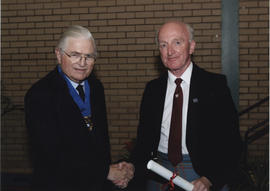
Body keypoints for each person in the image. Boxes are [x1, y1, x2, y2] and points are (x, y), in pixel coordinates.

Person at [129, 21, 243, 191]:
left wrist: (210, 179)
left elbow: (231, 143)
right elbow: (144, 141)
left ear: (191, 47)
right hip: (158, 173)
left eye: (177, 42)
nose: (170, 51)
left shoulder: (215, 86)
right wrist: (131, 168)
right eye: (163, 45)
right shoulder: (152, 90)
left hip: (201, 175)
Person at [25, 25, 133, 191]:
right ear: (59, 55)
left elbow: (101, 143)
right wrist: (105, 172)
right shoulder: (40, 95)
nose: (82, 63)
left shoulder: (96, 87)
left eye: (89, 56)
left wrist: (114, 172)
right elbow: (51, 157)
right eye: (75, 55)